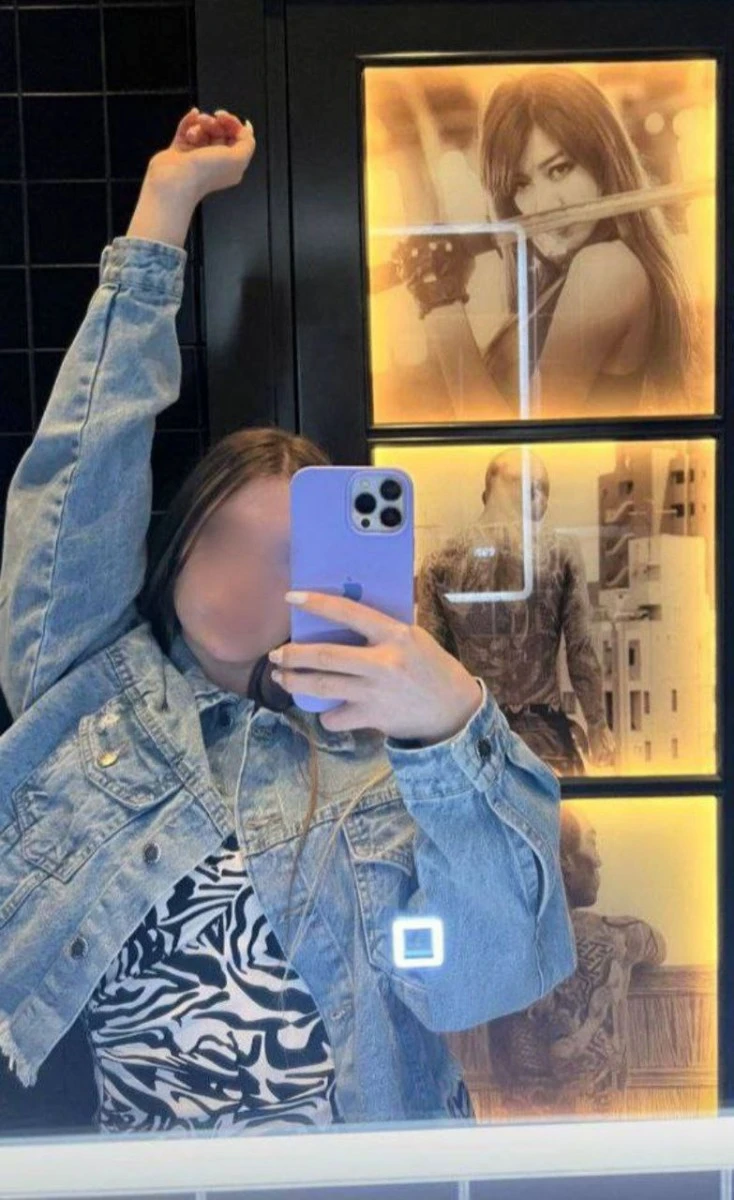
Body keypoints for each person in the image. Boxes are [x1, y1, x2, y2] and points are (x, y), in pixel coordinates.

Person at [0, 108, 576, 1135]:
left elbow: (483, 981)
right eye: (221, 537)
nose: (242, 580)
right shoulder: (87, 690)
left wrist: (452, 730)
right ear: (174, 544)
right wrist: (164, 209)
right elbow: (78, 477)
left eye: (285, 557)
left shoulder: (381, 760)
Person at [393, 67, 697, 420]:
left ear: (602, 158)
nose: (543, 205)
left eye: (559, 169)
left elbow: (512, 445)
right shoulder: (564, 276)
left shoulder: (607, 268)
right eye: (521, 185)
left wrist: (440, 301)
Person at [416, 448, 615, 775]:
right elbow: (581, 649)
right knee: (559, 809)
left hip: (472, 735)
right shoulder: (561, 553)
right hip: (545, 740)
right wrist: (597, 724)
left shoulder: (440, 562)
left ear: (486, 496)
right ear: (537, 497)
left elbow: (430, 663)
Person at [487, 805, 667, 1116]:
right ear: (564, 861)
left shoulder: (494, 945)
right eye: (592, 843)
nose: (598, 860)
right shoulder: (618, 937)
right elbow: (659, 948)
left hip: (517, 1135)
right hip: (600, 1135)